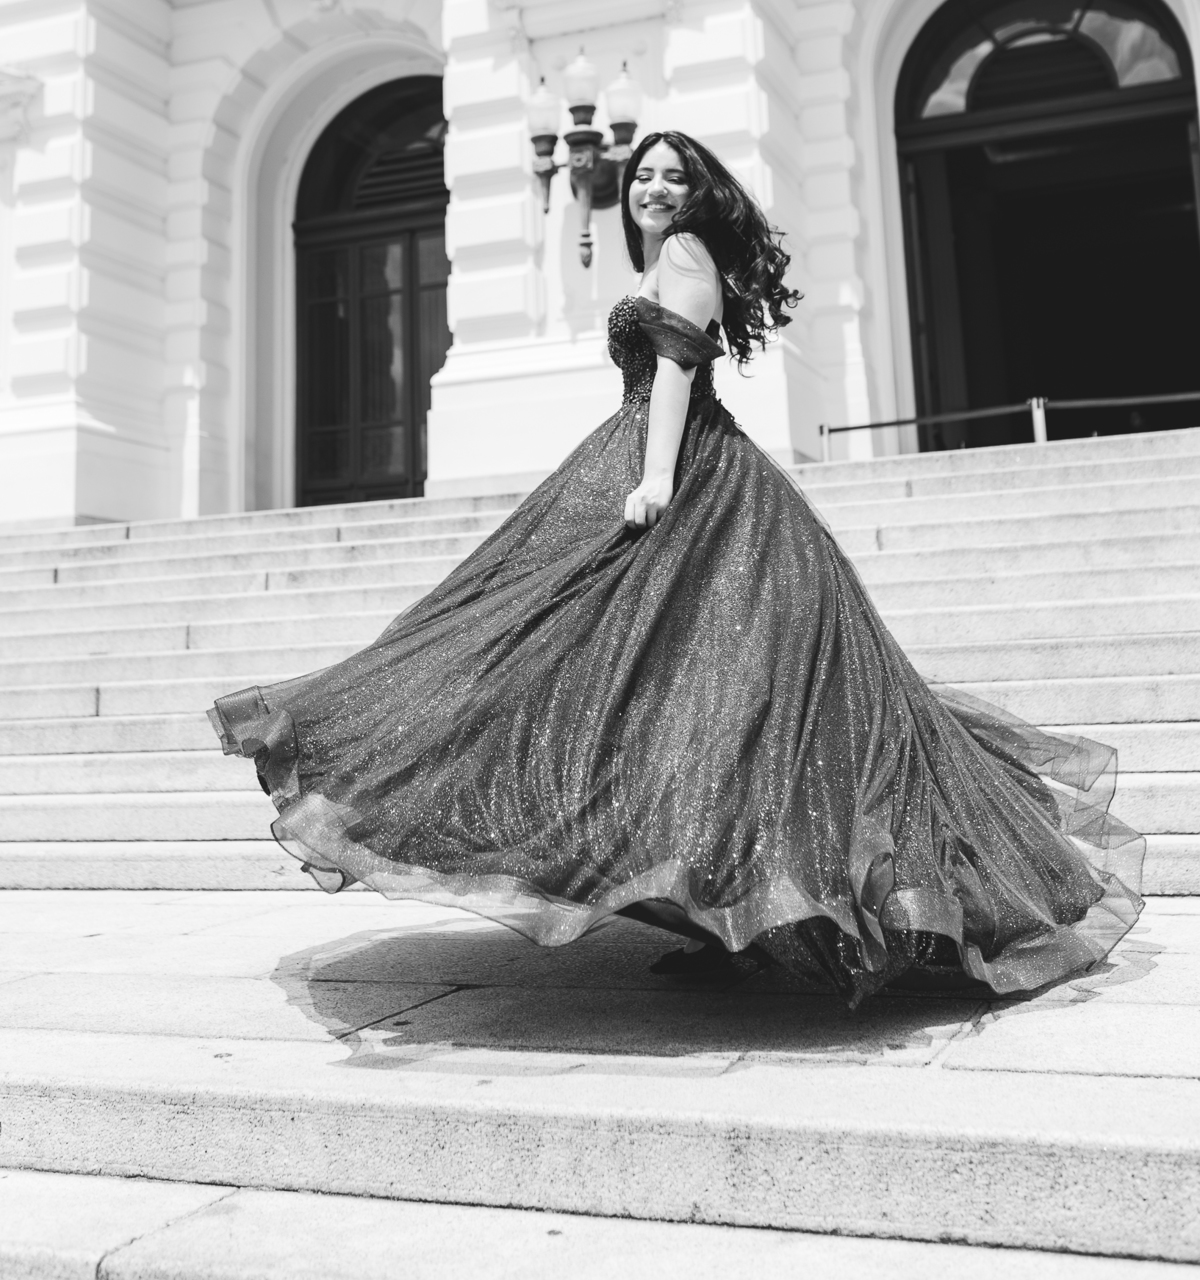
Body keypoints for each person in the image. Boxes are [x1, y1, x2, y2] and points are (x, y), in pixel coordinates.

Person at [210, 131, 1143, 1005]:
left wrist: (657, 478)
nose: (655, 189)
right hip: (653, 458)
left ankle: (770, 909)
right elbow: (631, 337)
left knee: (708, 705)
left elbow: (675, 372)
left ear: (699, 193)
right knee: (683, 707)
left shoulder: (689, 252)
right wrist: (575, 215)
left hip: (692, 476)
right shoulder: (664, 258)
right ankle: (728, 912)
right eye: (643, 175)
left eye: (674, 176)